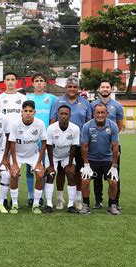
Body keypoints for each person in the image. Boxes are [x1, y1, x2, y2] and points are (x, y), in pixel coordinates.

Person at [49, 77, 92, 211]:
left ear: (78, 88)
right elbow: (52, 121)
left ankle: (77, 199)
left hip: (79, 144)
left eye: (74, 87)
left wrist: (87, 142)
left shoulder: (85, 103)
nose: (72, 89)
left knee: (77, 172)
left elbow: (89, 123)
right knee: (61, 172)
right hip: (61, 144)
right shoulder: (58, 101)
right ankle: (60, 198)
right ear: (66, 87)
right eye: (69, 87)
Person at [0, 72, 33, 205]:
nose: (10, 82)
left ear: (17, 81)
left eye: (13, 79)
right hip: (4, 138)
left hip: (20, 139)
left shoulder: (23, 98)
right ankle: (5, 198)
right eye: (8, 79)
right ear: (4, 82)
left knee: (16, 170)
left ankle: (14, 199)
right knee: (5, 170)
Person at [80, 103, 120, 215]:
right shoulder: (87, 126)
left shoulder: (113, 126)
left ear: (107, 113)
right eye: (98, 112)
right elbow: (84, 147)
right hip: (91, 160)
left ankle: (112, 205)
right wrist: (86, 165)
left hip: (107, 159)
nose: (100, 115)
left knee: (113, 182)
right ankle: (85, 205)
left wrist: (114, 166)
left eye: (103, 112)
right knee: (85, 180)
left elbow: (115, 147)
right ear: (94, 114)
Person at [8, 100, 47, 214]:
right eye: (26, 111)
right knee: (14, 174)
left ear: (35, 112)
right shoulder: (16, 124)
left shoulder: (39, 123)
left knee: (40, 174)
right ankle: (15, 204)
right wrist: (14, 163)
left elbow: (44, 142)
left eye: (30, 111)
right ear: (22, 112)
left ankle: (36, 204)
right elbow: (12, 143)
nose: (28, 113)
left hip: (33, 155)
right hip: (18, 155)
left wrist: (39, 162)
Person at [90, 80, 124, 210]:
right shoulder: (92, 104)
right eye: (102, 87)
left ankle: (115, 201)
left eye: (107, 87)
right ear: (99, 89)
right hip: (95, 145)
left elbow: (119, 125)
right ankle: (98, 201)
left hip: (112, 146)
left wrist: (109, 137)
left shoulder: (117, 105)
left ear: (111, 89)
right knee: (96, 175)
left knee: (114, 174)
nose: (105, 89)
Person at [26, 73, 56, 206]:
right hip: (30, 138)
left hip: (45, 139)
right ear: (32, 83)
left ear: (45, 83)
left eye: (41, 81)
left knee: (42, 169)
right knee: (29, 170)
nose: (39, 83)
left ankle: (41, 196)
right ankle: (30, 196)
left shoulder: (52, 99)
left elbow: (53, 118)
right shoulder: (27, 97)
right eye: (36, 81)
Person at [45, 105, 80, 213]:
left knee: (71, 174)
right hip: (53, 156)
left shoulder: (75, 128)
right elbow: (49, 147)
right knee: (50, 175)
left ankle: (70, 205)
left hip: (67, 155)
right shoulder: (51, 128)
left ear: (70, 115)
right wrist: (51, 165)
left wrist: (70, 164)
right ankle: (49, 204)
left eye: (66, 114)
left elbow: (74, 146)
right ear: (58, 115)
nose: (63, 116)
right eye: (61, 114)